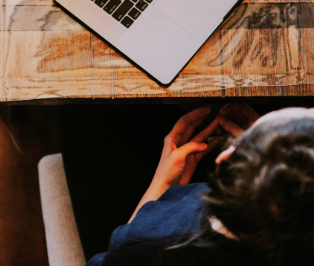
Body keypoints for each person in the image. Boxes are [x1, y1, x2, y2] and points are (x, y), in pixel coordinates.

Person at [60, 104, 314, 266]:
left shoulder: (149, 242)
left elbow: (111, 259)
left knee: (81, 114)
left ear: (225, 161)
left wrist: (162, 184)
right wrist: (266, 161)